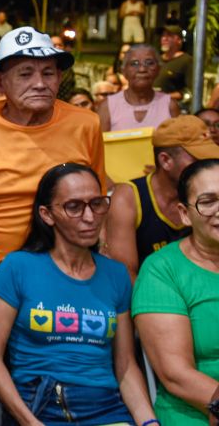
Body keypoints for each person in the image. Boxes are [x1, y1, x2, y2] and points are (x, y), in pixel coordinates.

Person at [0, 163, 156, 425]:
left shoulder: (116, 274)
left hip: (105, 407)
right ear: (47, 214)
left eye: (97, 203)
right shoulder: (19, 268)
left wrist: (148, 421)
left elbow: (126, 365)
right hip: (38, 406)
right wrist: (29, 422)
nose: (90, 216)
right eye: (74, 207)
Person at [0, 26, 106, 273]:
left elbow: (97, 199)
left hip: (69, 270)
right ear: (0, 82)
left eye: (48, 73)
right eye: (25, 74)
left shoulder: (86, 124)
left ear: (60, 78)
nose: (40, 84)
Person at [133, 158, 219, 425]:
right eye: (208, 201)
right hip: (199, 411)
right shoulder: (163, 270)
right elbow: (176, 375)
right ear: (184, 213)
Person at [102, 116, 219, 281]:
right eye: (197, 160)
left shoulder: (212, 193)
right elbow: (125, 275)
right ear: (166, 160)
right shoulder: (128, 198)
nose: (205, 168)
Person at [97, 44, 179, 131]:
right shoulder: (108, 107)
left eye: (149, 63)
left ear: (158, 69)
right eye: (134, 63)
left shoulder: (169, 105)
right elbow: (101, 143)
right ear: (124, 71)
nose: (142, 69)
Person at [153, 21, 192, 104]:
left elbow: (189, 91)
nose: (164, 38)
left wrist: (164, 97)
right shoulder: (155, 59)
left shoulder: (186, 60)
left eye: (169, 35)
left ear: (179, 40)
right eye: (163, 35)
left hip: (171, 109)